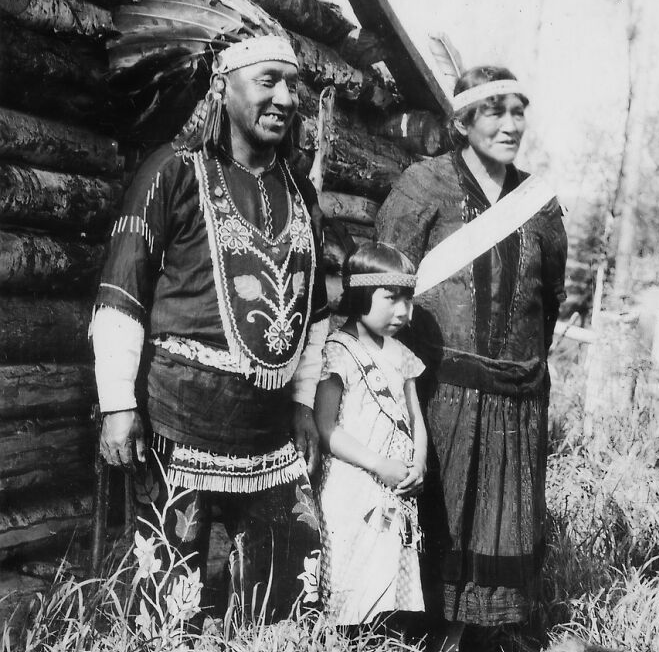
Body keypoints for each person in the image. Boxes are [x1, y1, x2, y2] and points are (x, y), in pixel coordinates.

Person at [92, 33, 330, 622]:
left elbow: (315, 313)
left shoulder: (299, 192)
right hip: (181, 418)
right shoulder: (171, 172)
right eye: (267, 81)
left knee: (289, 592)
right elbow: (123, 292)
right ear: (222, 89)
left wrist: (302, 402)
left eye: (292, 84)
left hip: (270, 431)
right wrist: (118, 405)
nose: (284, 97)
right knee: (168, 603)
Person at [375, 66, 567, 651]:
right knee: (442, 524)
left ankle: (490, 636)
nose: (511, 126)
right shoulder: (423, 186)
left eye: (518, 112)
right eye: (495, 112)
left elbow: (549, 302)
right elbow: (381, 279)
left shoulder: (539, 202)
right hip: (441, 398)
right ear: (462, 121)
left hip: (516, 403)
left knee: (502, 527)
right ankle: (428, 635)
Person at [314, 242, 428, 629]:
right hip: (351, 485)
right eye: (391, 297)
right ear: (361, 294)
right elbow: (326, 428)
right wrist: (377, 463)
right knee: (350, 582)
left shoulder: (402, 354)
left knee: (385, 583)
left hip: (395, 487)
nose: (403, 310)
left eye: (408, 299)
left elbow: (415, 417)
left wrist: (419, 464)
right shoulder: (338, 351)